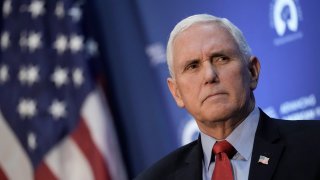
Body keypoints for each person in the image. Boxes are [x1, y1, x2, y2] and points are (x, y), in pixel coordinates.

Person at [135, 14, 320, 180]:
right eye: (192, 66)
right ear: (176, 92)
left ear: (252, 71)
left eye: (221, 58)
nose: (209, 75)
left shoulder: (313, 145)